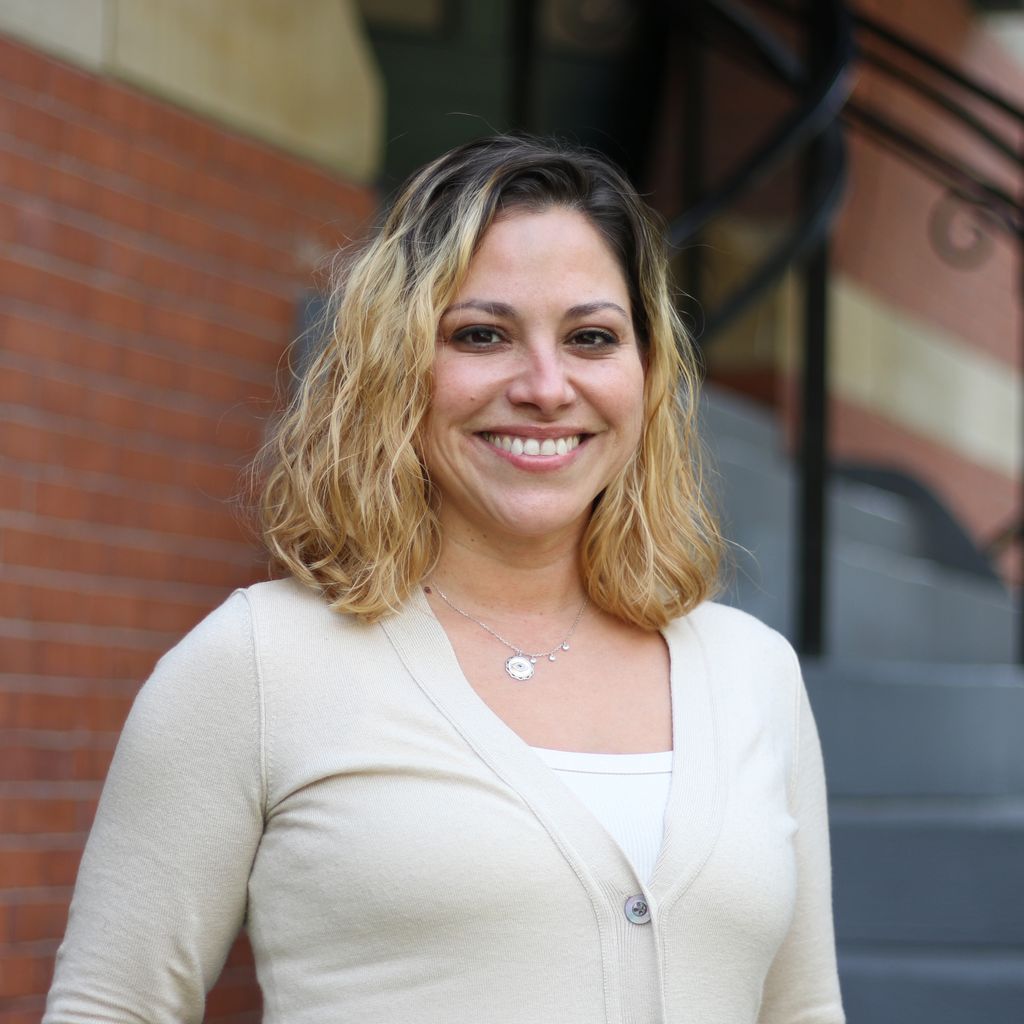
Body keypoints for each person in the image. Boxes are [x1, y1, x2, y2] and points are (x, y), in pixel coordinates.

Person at [44, 134, 845, 1024]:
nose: (546, 386)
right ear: (398, 365)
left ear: (647, 374)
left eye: (591, 337)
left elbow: (805, 1011)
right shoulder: (260, 664)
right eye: (481, 335)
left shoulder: (753, 673)